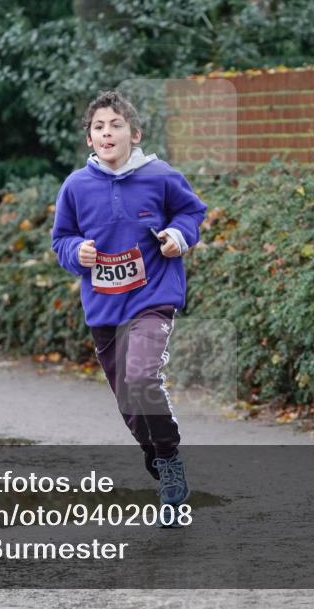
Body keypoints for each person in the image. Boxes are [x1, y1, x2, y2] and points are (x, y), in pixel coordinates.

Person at [50, 90, 207, 510]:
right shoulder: (76, 186)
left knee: (141, 379)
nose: (107, 132)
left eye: (116, 124)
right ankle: (154, 450)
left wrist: (177, 237)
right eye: (98, 126)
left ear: (134, 134)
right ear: (89, 139)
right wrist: (75, 252)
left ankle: (169, 459)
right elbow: (61, 239)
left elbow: (191, 213)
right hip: (104, 307)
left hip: (152, 297)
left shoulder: (160, 176)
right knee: (127, 401)